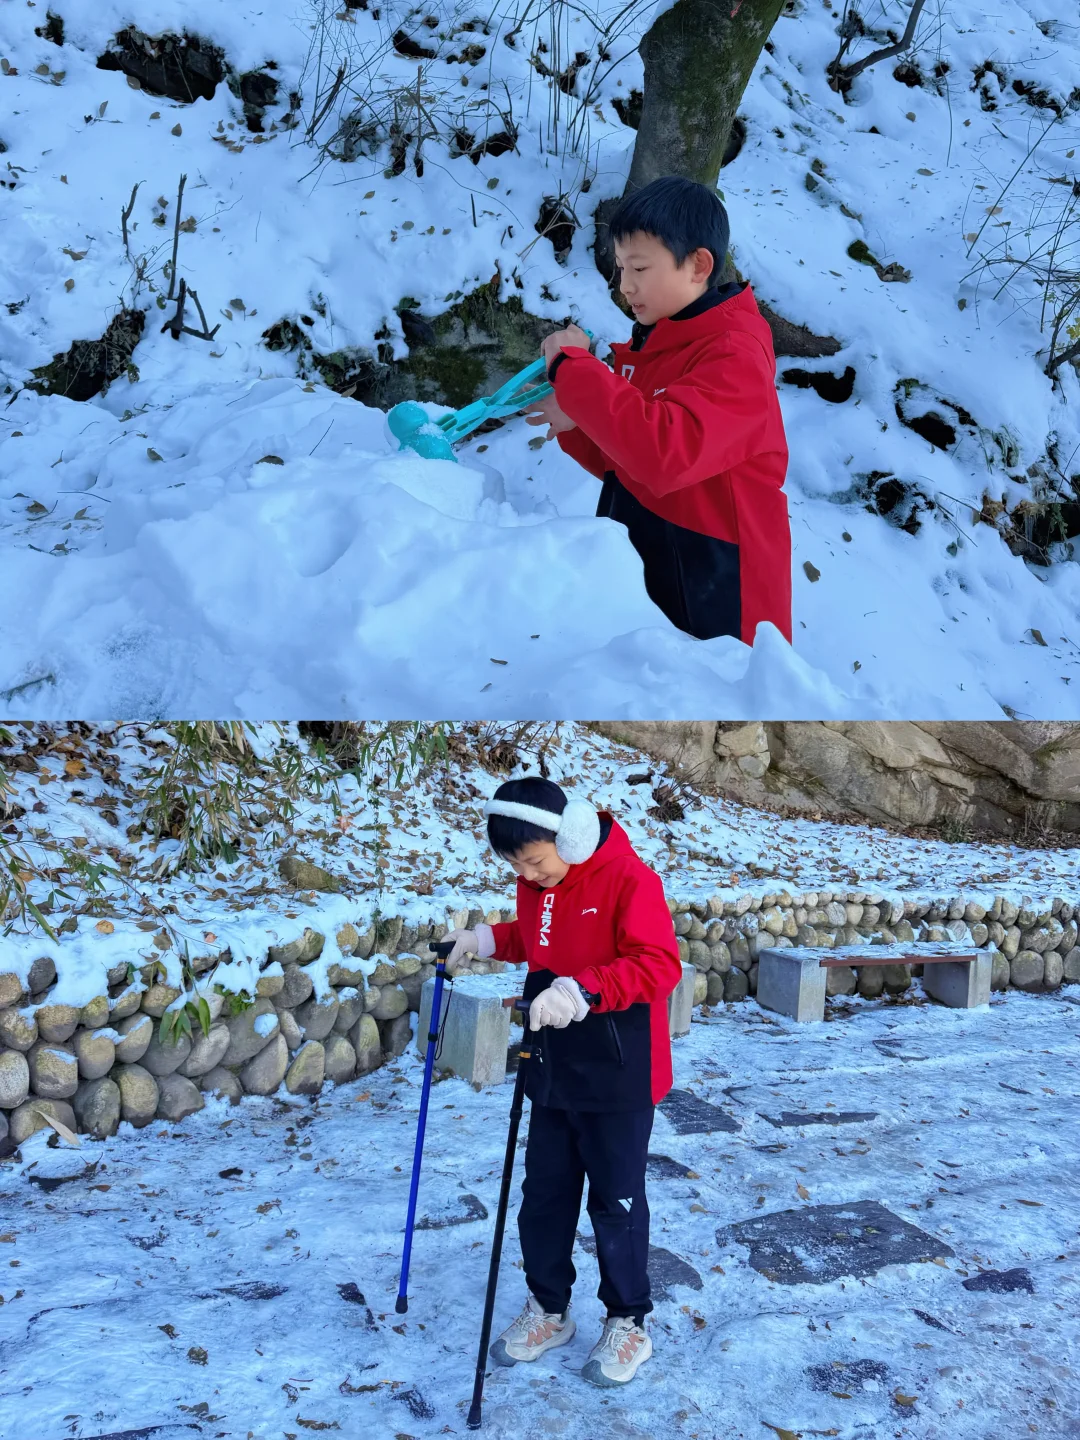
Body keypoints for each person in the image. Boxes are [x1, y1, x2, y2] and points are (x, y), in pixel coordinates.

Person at [441, 775, 682, 1388]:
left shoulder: (631, 880)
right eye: (517, 867)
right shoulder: (536, 883)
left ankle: (627, 1320)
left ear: (568, 836)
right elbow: (536, 936)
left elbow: (658, 965)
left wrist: (586, 988)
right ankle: (549, 1308)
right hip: (550, 1058)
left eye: (537, 862)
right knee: (544, 1196)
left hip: (618, 1064)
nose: (529, 876)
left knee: (616, 1201)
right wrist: (483, 939)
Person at [520, 174, 792, 647]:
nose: (625, 285)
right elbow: (628, 462)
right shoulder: (655, 345)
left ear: (698, 265)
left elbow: (666, 456)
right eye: (621, 268)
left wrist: (577, 372)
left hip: (717, 581)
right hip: (654, 557)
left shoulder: (735, 355)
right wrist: (579, 422)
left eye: (639, 268)